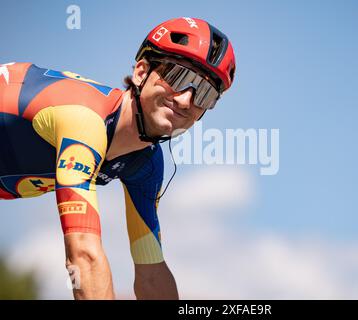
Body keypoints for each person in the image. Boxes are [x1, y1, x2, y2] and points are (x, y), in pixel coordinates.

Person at [0, 17, 236, 300]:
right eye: (178, 76)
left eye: (205, 93)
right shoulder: (85, 122)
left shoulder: (146, 164)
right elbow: (83, 257)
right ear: (141, 72)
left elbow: (151, 274)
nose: (186, 100)